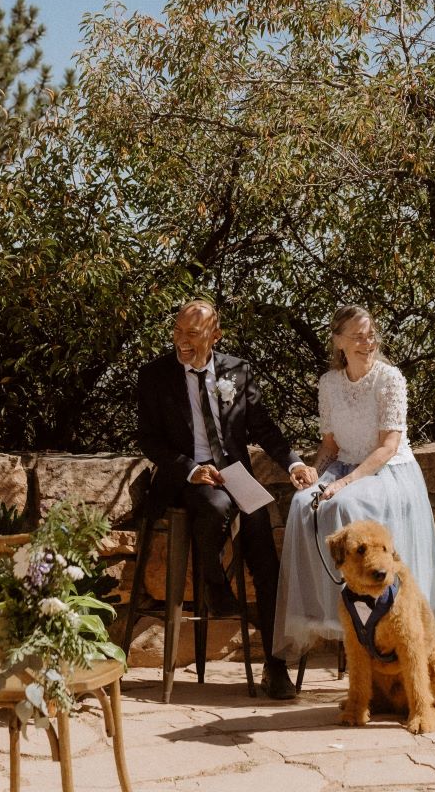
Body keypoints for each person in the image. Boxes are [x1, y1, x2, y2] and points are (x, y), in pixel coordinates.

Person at [135, 299, 314, 700]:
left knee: (265, 553)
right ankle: (214, 580)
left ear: (214, 335)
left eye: (192, 333)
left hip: (235, 474)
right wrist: (188, 467)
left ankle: (276, 666)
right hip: (187, 476)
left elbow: (264, 428)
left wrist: (294, 464)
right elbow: (147, 438)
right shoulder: (155, 375)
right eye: (178, 330)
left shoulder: (236, 370)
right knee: (214, 505)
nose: (182, 340)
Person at [273, 306, 435, 666]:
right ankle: (324, 610)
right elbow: (330, 447)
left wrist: (343, 484)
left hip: (385, 472)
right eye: (358, 336)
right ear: (339, 342)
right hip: (343, 466)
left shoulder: (389, 379)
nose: (367, 343)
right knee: (303, 503)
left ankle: (362, 605)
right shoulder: (329, 383)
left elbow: (388, 447)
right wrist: (312, 473)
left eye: (370, 335)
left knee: (342, 506)